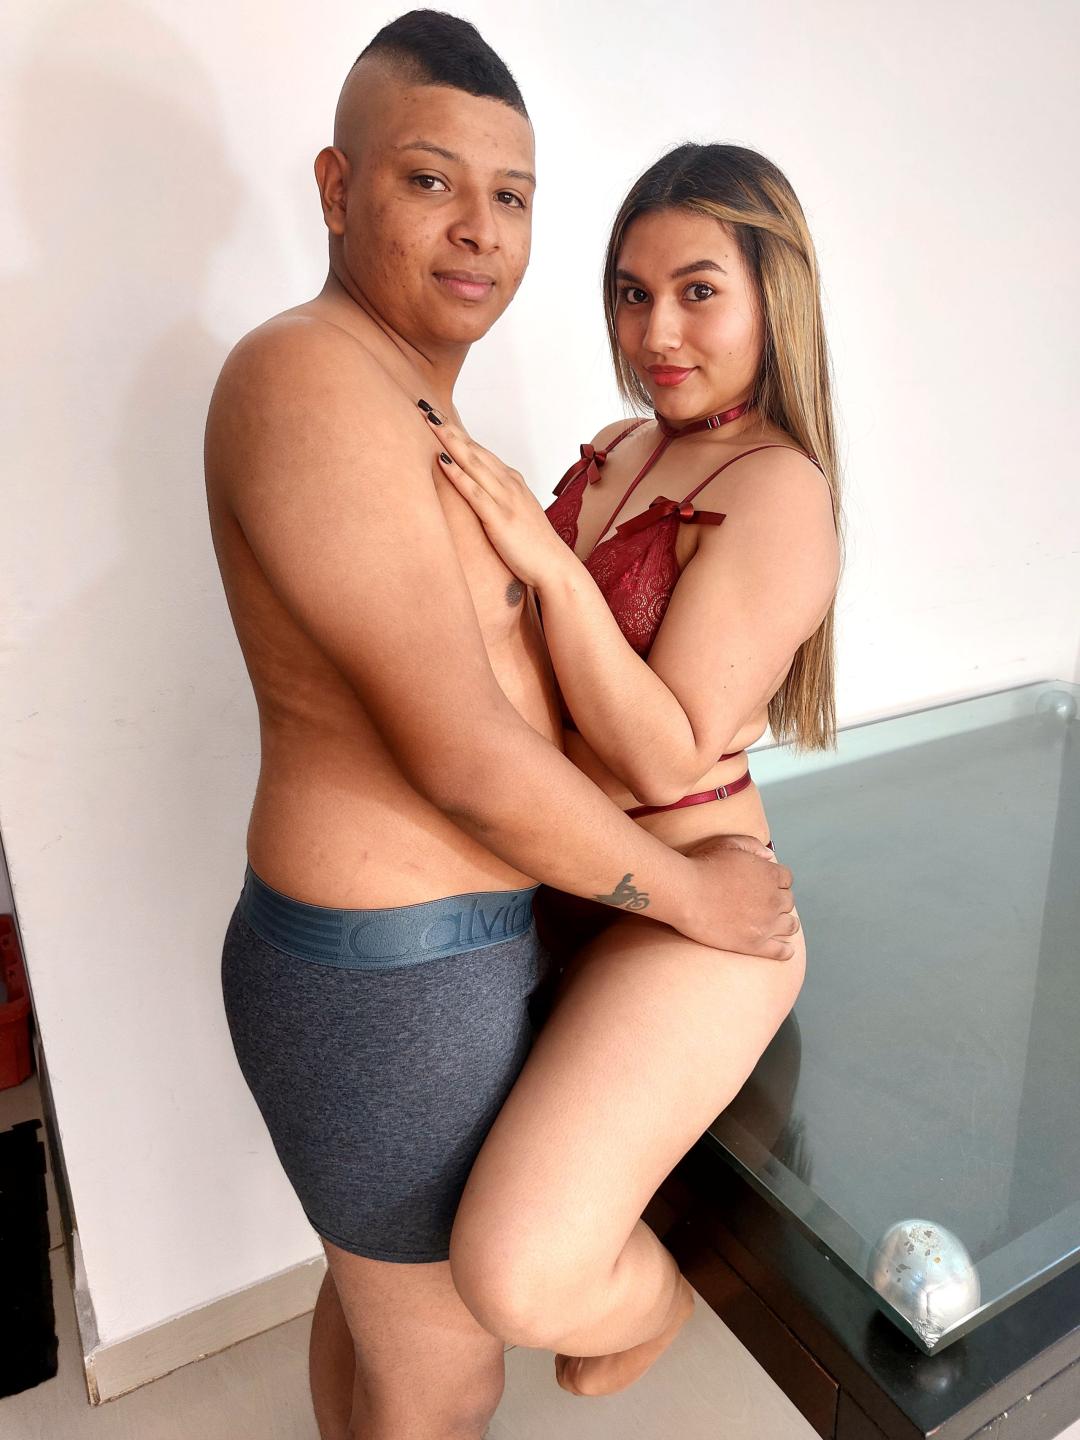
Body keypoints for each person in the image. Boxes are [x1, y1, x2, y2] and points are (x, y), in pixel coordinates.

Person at [203, 14, 797, 1440]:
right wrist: (694, 896)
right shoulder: (306, 377)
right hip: (387, 979)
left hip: (432, 958)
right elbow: (462, 752)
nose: (480, 229)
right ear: (337, 187)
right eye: (430, 181)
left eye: (512, 196)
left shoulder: (409, 397)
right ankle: (647, 1305)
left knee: (378, 1324)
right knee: (441, 1377)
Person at [424, 141, 842, 1398]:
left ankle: (661, 1299)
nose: (656, 331)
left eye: (698, 290)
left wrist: (544, 560)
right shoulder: (620, 445)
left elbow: (662, 749)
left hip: (699, 907)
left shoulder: (781, 489)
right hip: (565, 873)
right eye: (630, 292)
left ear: (774, 294)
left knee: (512, 1273)